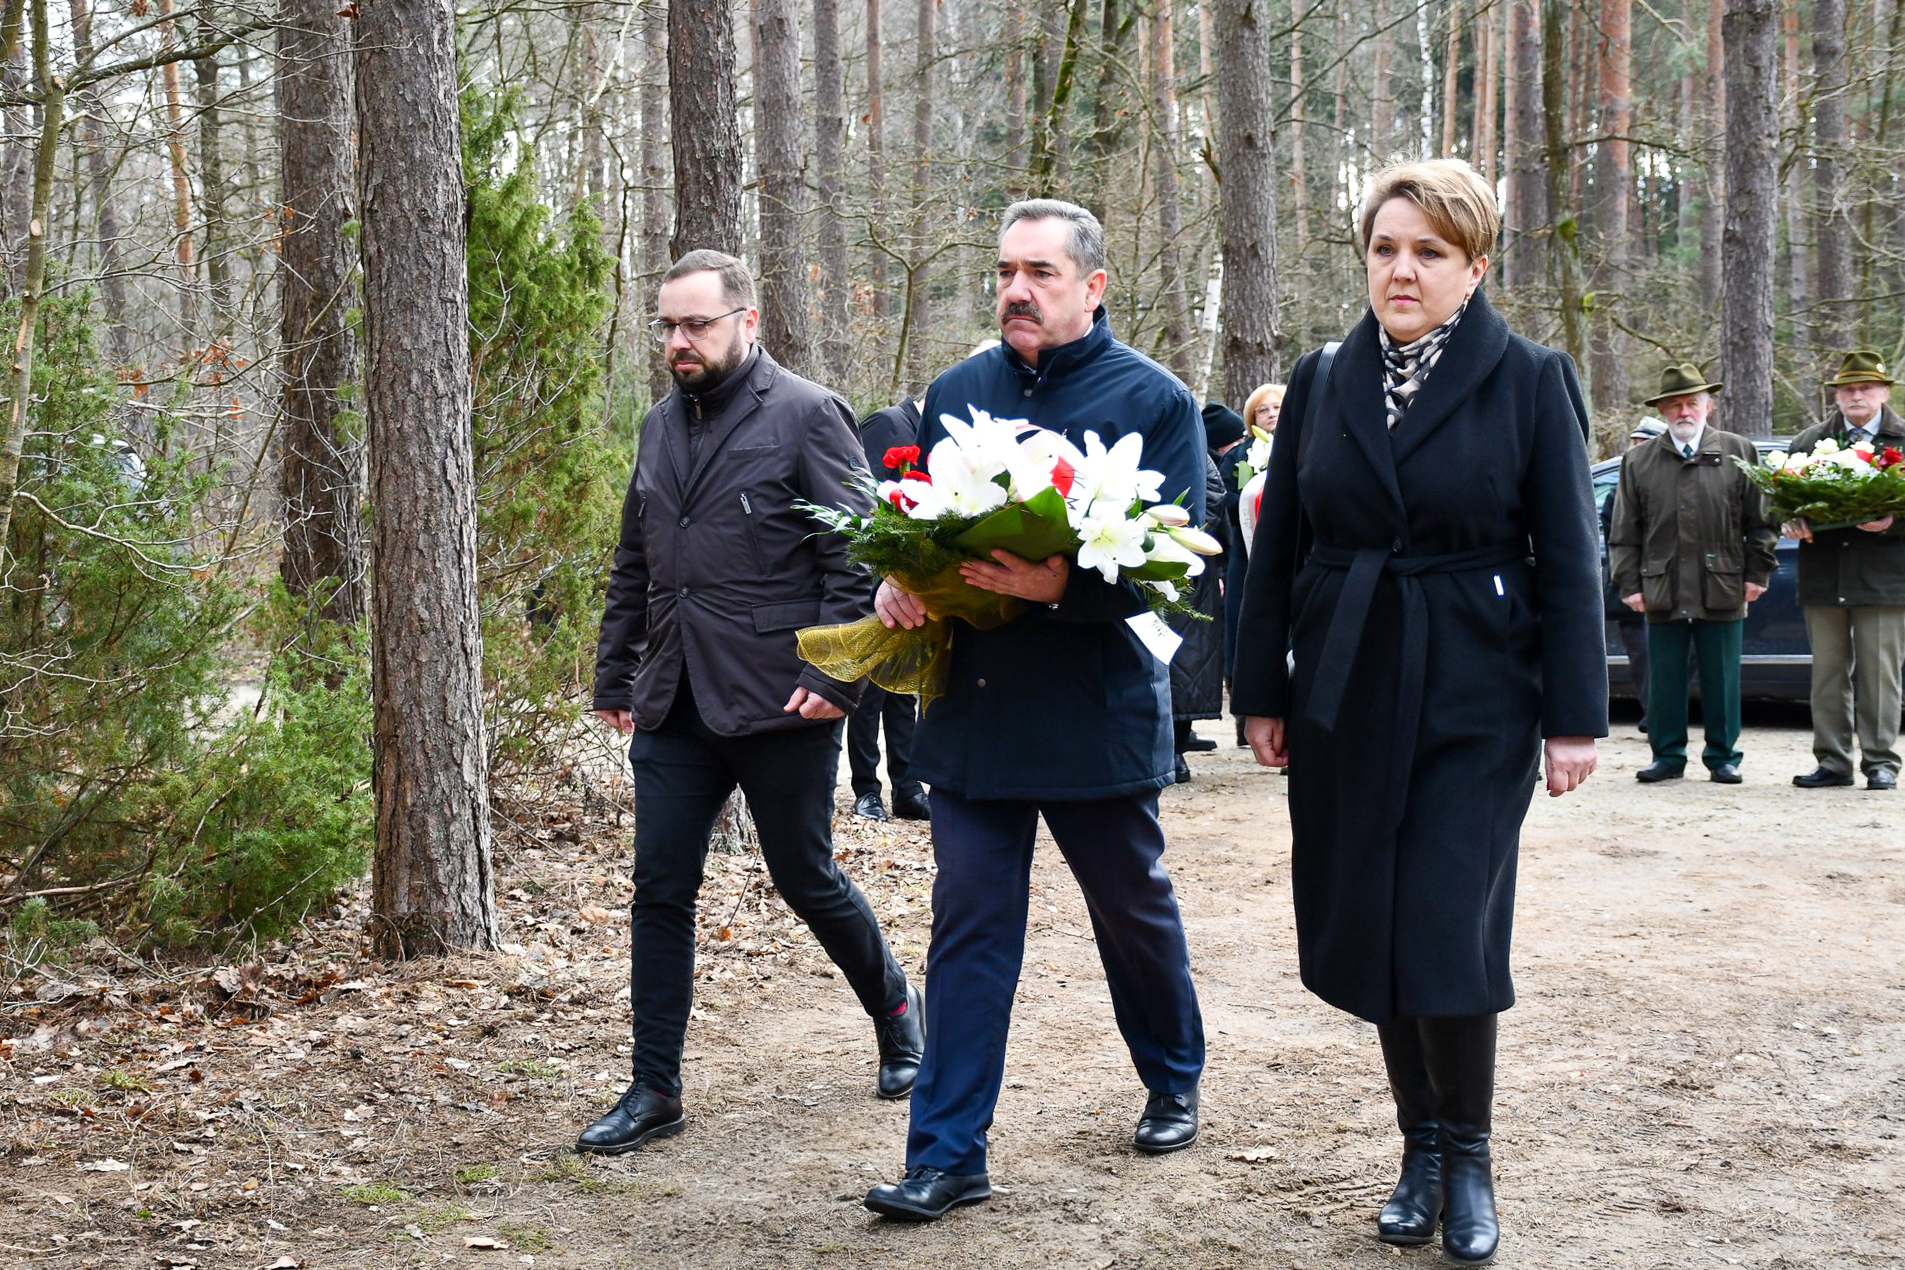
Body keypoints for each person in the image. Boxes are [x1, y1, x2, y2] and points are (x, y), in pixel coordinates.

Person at [1232, 159, 1605, 1266]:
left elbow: (1569, 558)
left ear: (1474, 266)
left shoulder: (1531, 378)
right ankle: (1420, 1149)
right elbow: (1278, 547)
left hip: (1476, 687)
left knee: (1445, 919)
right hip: (1346, 677)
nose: (1402, 270)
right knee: (1375, 916)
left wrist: (1573, 716)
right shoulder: (1320, 377)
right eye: (1385, 249)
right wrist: (1261, 692)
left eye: (1429, 252)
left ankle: (1471, 1154)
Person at [862, 198, 1207, 1222]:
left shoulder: (1154, 399)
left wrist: (1059, 587)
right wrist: (901, 580)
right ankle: (946, 1153)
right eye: (1006, 271)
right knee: (969, 924)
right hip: (974, 709)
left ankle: (1173, 1076)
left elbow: (1175, 567)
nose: (1015, 289)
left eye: (1039, 273)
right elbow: (923, 528)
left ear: (1092, 287)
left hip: (1095, 708)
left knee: (1129, 910)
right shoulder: (956, 391)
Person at [582, 250, 924, 1155]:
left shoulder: (808, 413)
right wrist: (615, 674)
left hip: (783, 697)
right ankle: (654, 1086)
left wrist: (836, 678)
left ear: (746, 321)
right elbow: (635, 560)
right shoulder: (657, 425)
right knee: (660, 889)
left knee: (805, 877)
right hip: (674, 700)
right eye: (667, 325)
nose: (678, 341)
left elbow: (855, 556)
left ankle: (897, 1010)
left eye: (696, 324)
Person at [1609, 365, 1776, 784]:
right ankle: (1667, 755)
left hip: (1722, 583)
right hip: (1661, 585)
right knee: (1664, 678)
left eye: (1692, 403)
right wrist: (1629, 584)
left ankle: (1723, 756)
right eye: (1675, 405)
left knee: (1722, 678)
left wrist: (1757, 573)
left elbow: (1761, 522)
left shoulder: (1738, 452)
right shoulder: (1639, 460)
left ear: (1708, 405)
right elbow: (1624, 531)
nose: (1684, 411)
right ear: (1662, 411)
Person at [1782, 349, 1905, 792]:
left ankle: (1880, 761)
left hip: (1884, 579)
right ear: (1836, 395)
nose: (1856, 395)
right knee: (1827, 675)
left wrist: (1894, 523)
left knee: (1880, 677)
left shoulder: (1903, 442)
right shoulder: (1808, 442)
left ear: (1884, 392)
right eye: (1848, 389)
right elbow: (1780, 500)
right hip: (1824, 574)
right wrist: (1791, 521)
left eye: (1865, 388)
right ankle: (1833, 761)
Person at [848, 395, 931, 822]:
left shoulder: (930, 434)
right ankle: (867, 790)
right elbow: (864, 503)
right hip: (874, 581)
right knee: (870, 691)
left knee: (903, 690)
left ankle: (907, 787)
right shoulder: (886, 423)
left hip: (913, 582)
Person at [1168, 451, 1230, 780]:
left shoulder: (1187, 440)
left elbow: (1213, 492)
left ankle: (1176, 749)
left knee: (1186, 658)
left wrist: (1180, 537)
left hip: (1184, 563)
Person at [1606, 418, 1668, 728]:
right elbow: (1616, 538)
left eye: (1645, 444)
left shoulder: (1673, 481)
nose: (1638, 450)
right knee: (1642, 656)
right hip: (1636, 589)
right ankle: (1655, 715)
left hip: (1673, 585)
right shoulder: (1619, 490)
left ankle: (1661, 711)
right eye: (1635, 444)